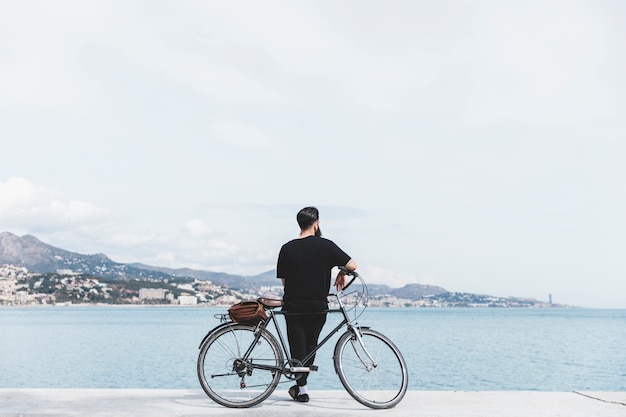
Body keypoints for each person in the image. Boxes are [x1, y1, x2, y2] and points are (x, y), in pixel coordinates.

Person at [276, 206, 357, 403]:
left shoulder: (287, 248)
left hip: (293, 306)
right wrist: (342, 272)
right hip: (317, 306)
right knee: (311, 346)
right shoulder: (326, 246)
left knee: (297, 348)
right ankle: (301, 389)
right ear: (317, 223)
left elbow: (284, 281)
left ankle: (301, 389)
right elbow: (352, 265)